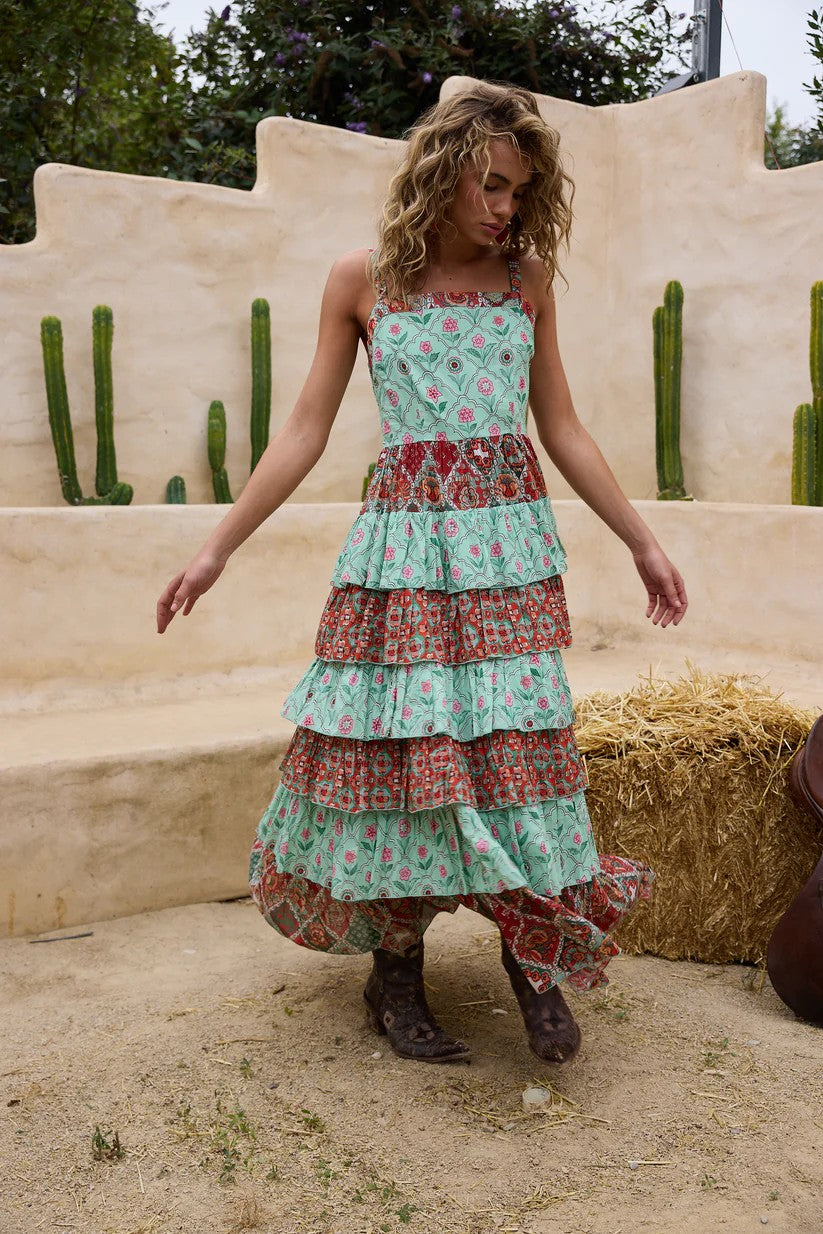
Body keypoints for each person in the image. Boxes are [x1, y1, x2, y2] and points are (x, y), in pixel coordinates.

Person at [157, 80, 687, 1067]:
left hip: (507, 558)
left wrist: (639, 540)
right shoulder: (362, 281)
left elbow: (560, 425)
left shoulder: (526, 281)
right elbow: (304, 430)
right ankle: (395, 974)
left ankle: (533, 963)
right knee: (409, 762)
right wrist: (215, 548)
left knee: (516, 759)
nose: (505, 207)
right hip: (403, 556)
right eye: (490, 185)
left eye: (519, 191)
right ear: (441, 174)